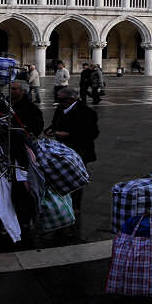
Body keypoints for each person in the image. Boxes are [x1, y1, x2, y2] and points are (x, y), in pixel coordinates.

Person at [47, 85, 99, 219]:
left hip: (79, 151)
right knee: (60, 177)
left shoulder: (87, 112)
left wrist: (69, 134)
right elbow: (55, 123)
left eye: (62, 100)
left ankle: (75, 206)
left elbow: (92, 133)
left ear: (71, 99)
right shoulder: (60, 108)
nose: (59, 102)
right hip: (60, 150)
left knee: (75, 179)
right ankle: (62, 202)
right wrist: (51, 129)